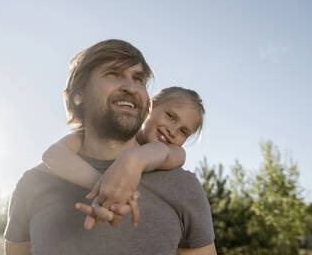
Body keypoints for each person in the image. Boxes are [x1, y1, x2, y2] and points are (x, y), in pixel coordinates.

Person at [4, 39, 216, 255]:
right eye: (113, 73)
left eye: (138, 79)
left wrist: (133, 159)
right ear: (78, 94)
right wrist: (106, 190)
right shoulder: (32, 184)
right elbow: (52, 155)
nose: (131, 87)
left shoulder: (183, 186)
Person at [42, 86, 205, 230]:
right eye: (170, 116)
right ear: (150, 106)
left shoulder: (173, 152)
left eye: (183, 131)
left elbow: (163, 152)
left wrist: (134, 159)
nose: (173, 130)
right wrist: (106, 186)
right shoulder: (107, 134)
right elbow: (53, 155)